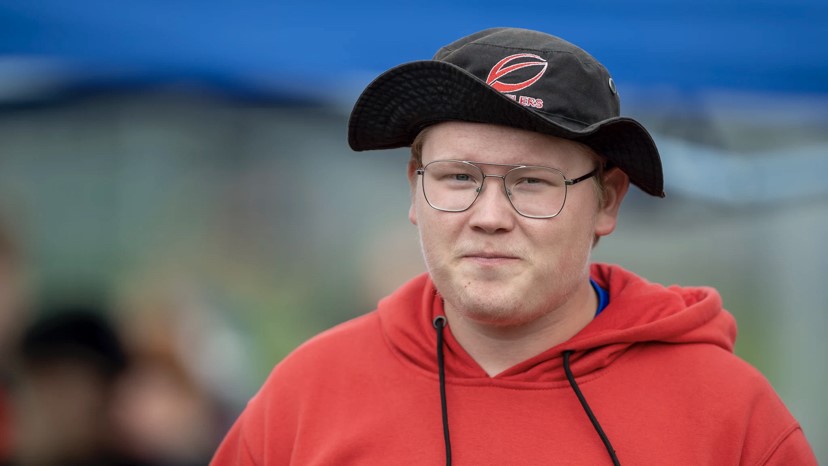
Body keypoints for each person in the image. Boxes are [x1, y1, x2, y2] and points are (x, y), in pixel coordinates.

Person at [210, 27, 817, 465]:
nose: (489, 217)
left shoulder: (727, 412)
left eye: (532, 182)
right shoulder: (307, 393)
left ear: (607, 201)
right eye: (458, 178)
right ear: (415, 189)